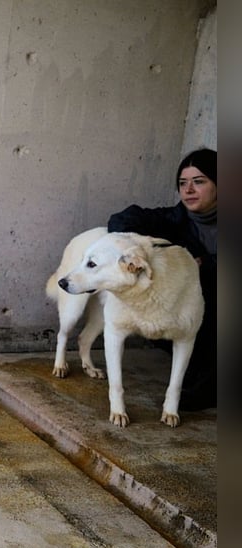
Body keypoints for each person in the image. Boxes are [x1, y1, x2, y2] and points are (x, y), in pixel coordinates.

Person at [107, 147, 217, 410]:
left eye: (199, 181)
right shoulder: (173, 219)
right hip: (188, 308)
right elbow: (120, 221)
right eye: (183, 183)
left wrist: (207, 264)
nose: (188, 190)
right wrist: (135, 250)